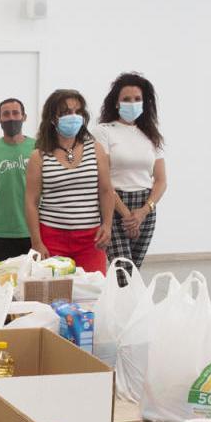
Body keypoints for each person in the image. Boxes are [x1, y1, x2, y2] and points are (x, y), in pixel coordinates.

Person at [24, 89, 114, 272]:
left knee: (92, 293)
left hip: (91, 240)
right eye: (65, 112)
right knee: (55, 296)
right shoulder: (39, 156)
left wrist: (107, 224)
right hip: (52, 239)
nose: (73, 117)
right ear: (52, 118)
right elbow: (31, 202)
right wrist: (36, 242)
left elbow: (106, 190)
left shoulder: (95, 148)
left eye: (77, 112)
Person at [95, 72, 167, 271]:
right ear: (116, 103)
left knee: (133, 270)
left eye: (137, 99)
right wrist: (127, 215)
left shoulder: (151, 135)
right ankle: (124, 302)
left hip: (145, 207)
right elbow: (104, 178)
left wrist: (143, 212)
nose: (132, 103)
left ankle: (126, 303)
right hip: (114, 204)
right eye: (126, 99)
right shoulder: (104, 131)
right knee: (123, 270)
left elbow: (161, 180)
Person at [0, 98, 36, 263]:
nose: (11, 118)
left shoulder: (38, 148)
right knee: (2, 282)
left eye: (16, 113)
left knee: (33, 282)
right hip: (0, 231)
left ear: (24, 117)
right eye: (6, 114)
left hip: (33, 230)